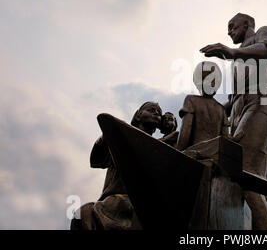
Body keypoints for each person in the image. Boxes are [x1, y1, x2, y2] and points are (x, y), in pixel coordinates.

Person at [200, 13, 267, 229]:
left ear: (247, 24)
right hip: (238, 114)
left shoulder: (262, 33)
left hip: (260, 102)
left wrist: (231, 51)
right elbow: (233, 99)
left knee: (245, 174)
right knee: (261, 183)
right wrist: (207, 108)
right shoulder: (239, 58)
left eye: (232, 26)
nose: (229, 31)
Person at [71, 102, 163, 230]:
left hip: (139, 207)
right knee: (81, 216)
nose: (156, 113)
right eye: (151, 110)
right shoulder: (120, 139)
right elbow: (96, 160)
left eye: (159, 113)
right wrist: (109, 134)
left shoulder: (160, 149)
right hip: (112, 203)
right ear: (138, 115)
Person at [175, 61, 230, 151]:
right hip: (214, 156)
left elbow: (185, 132)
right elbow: (225, 140)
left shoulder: (191, 100)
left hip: (194, 154)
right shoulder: (222, 109)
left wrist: (178, 154)